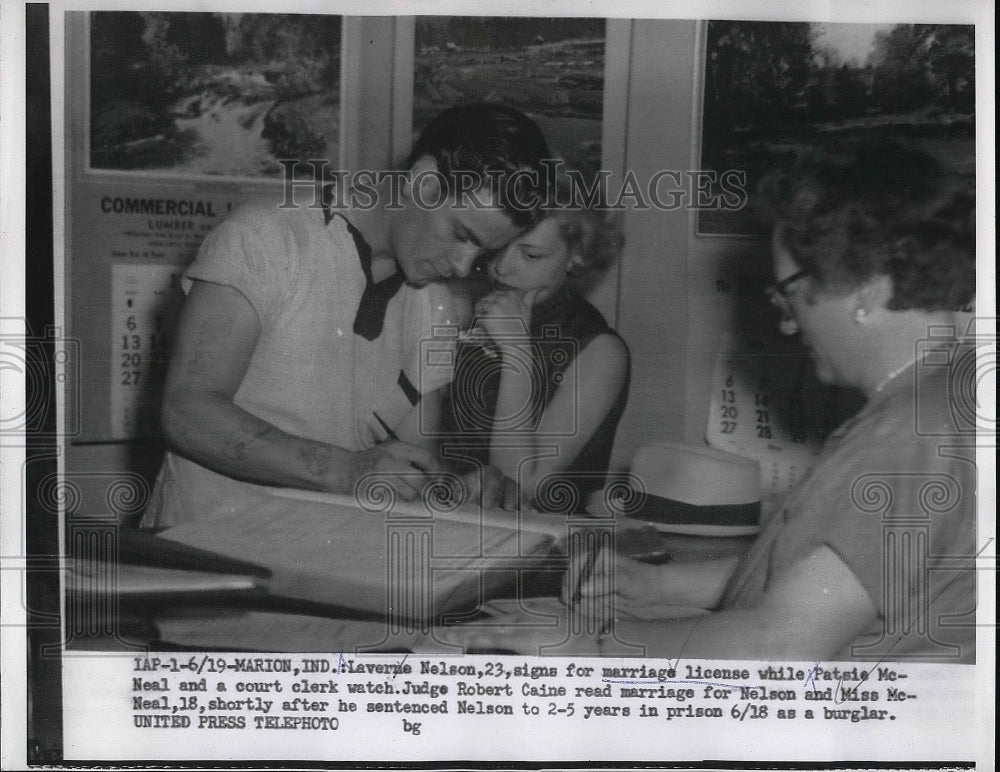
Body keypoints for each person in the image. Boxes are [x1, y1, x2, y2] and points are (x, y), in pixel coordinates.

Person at [435, 141, 977, 662]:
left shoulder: (911, 429)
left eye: (787, 293)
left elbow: (780, 645)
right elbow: (830, 575)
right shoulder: (936, 400)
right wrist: (658, 584)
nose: (788, 323)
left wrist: (591, 649)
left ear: (865, 291)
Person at [141, 104, 552, 527]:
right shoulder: (267, 237)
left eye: (482, 252)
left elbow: (414, 455)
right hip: (203, 552)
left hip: (318, 557)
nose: (465, 266)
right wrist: (346, 471)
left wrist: (462, 485)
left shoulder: (433, 302)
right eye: (462, 235)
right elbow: (185, 411)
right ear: (424, 183)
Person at [440, 199, 629, 512]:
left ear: (576, 256)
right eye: (497, 246)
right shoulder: (463, 308)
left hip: (541, 543)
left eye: (530, 254)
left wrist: (516, 349)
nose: (502, 267)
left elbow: (518, 488)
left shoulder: (600, 351)